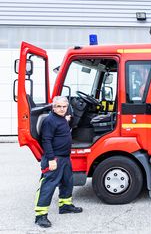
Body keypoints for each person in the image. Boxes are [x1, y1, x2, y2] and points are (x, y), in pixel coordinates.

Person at [34, 96, 83, 228]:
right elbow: (46, 141)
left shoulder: (61, 119)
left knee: (68, 182)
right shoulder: (50, 121)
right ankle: (40, 215)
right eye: (58, 107)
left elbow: (63, 126)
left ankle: (65, 206)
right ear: (53, 107)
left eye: (64, 107)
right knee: (48, 185)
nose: (62, 109)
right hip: (54, 158)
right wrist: (51, 159)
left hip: (65, 158)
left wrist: (66, 120)